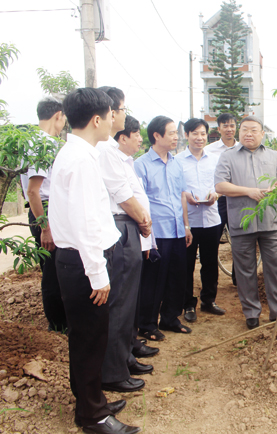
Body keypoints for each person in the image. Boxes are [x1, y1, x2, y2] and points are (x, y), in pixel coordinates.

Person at [49, 87, 141, 433]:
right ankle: (93, 417)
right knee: (89, 341)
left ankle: (93, 402)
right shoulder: (81, 161)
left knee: (89, 338)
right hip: (84, 262)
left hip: (78, 260)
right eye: (112, 114)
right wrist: (98, 275)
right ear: (98, 119)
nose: (117, 120)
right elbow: (86, 224)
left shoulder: (77, 153)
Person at [96, 87, 154, 394]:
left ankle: (124, 358)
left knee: (127, 303)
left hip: (128, 227)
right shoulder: (105, 150)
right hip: (121, 227)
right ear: (107, 112)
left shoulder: (114, 152)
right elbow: (123, 196)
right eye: (118, 109)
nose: (120, 114)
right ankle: (113, 372)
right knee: (119, 305)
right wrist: (144, 221)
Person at [215, 116, 277, 330]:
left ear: (262, 134)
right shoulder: (228, 157)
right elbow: (220, 186)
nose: (249, 133)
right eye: (244, 129)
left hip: (270, 221)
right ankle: (251, 313)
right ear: (239, 133)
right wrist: (249, 191)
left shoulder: (273, 155)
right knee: (245, 270)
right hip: (241, 222)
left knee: (275, 267)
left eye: (254, 130)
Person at [134, 116, 194, 341]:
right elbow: (138, 201)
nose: (176, 137)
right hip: (156, 234)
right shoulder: (141, 165)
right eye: (171, 133)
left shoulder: (177, 163)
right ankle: (147, 324)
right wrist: (145, 235)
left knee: (177, 277)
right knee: (153, 280)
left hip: (178, 230)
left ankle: (170, 318)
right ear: (156, 136)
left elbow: (181, 196)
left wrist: (186, 226)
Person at [112, 116, 161, 362]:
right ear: (122, 137)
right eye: (136, 134)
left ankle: (131, 342)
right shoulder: (112, 159)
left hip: (138, 232)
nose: (140, 138)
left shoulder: (126, 162)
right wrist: (144, 222)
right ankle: (125, 351)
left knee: (133, 294)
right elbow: (125, 198)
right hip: (129, 229)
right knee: (125, 297)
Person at [20, 96, 67, 333]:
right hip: (44, 212)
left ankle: (59, 319)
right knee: (51, 271)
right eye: (64, 118)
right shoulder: (42, 144)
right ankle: (57, 323)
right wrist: (45, 227)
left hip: (47, 211)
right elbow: (33, 191)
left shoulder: (35, 141)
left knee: (54, 268)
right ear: (58, 115)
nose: (64, 125)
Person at [177, 118, 226, 322]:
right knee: (187, 264)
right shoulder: (177, 161)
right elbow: (175, 189)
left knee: (209, 261)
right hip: (188, 221)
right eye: (195, 133)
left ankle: (208, 300)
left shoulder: (215, 159)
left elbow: (221, 185)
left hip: (211, 218)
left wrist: (216, 195)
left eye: (203, 134)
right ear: (187, 135)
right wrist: (186, 195)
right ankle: (188, 304)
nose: (199, 138)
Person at [204, 113, 239, 285]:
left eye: (232, 125)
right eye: (225, 125)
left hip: (238, 199)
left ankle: (238, 279)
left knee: (240, 240)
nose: (229, 129)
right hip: (217, 200)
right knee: (212, 241)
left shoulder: (243, 148)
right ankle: (212, 283)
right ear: (219, 129)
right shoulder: (209, 150)